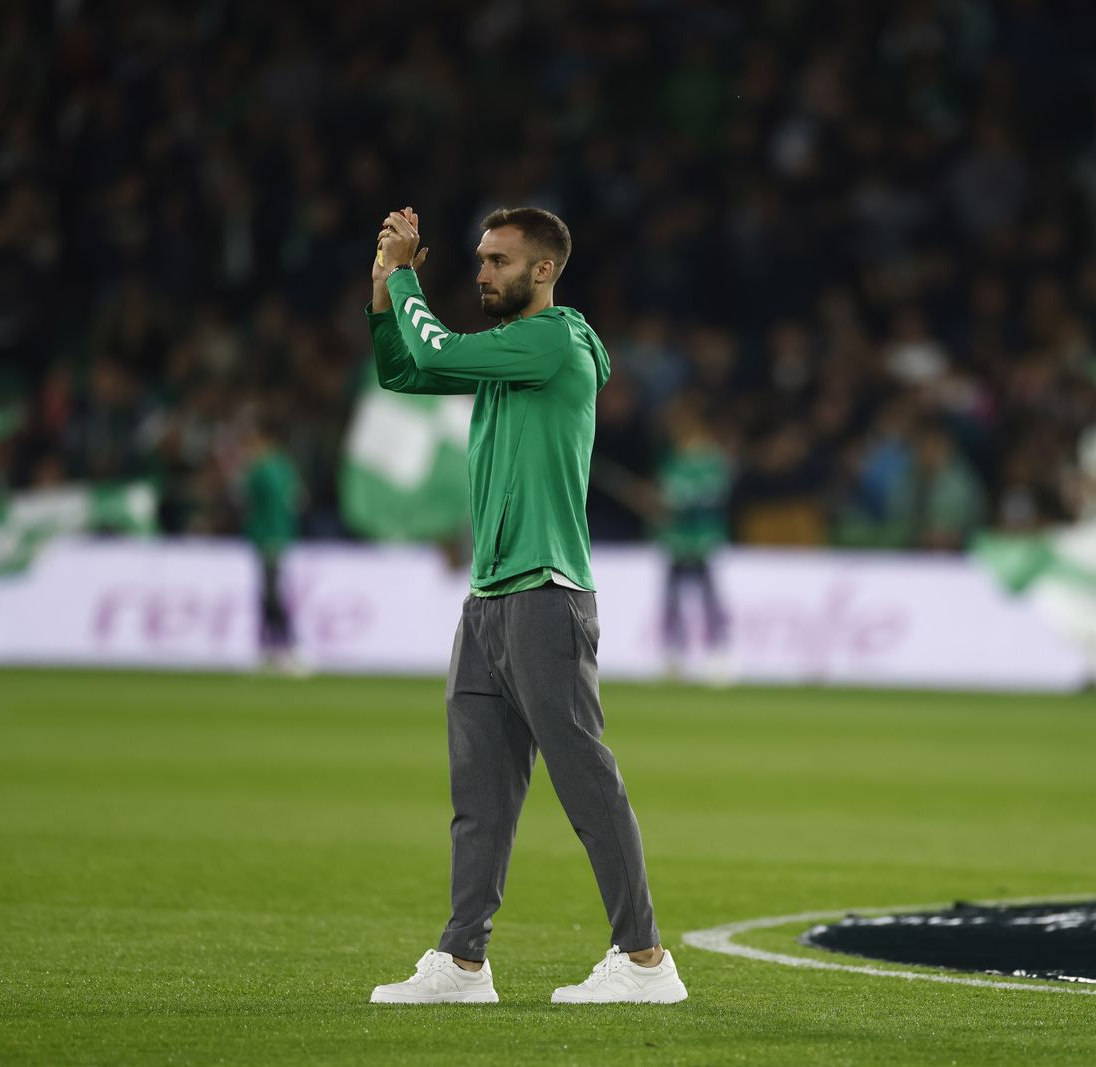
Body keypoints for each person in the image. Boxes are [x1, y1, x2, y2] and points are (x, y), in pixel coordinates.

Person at [364, 206, 687, 1006]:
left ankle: (646, 960)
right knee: (479, 795)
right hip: (488, 599)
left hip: (547, 593)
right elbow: (404, 373)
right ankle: (463, 962)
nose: (481, 273)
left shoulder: (551, 342)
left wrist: (406, 274)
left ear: (544, 271)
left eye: (498, 261)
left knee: (583, 777)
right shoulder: (508, 357)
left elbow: (433, 345)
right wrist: (381, 291)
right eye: (480, 259)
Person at [655, 400, 733, 682]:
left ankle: (718, 654)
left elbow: (711, 495)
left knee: (709, 599)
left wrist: (679, 499)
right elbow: (666, 495)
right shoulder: (673, 459)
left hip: (703, 541)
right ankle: (674, 654)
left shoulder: (712, 460)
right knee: (673, 600)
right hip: (676, 541)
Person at [240, 411, 305, 675]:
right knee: (271, 593)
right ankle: (273, 649)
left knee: (271, 595)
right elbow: (298, 499)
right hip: (281, 535)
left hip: (266, 537)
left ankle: (285, 648)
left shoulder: (259, 469)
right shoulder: (285, 466)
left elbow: (244, 499)